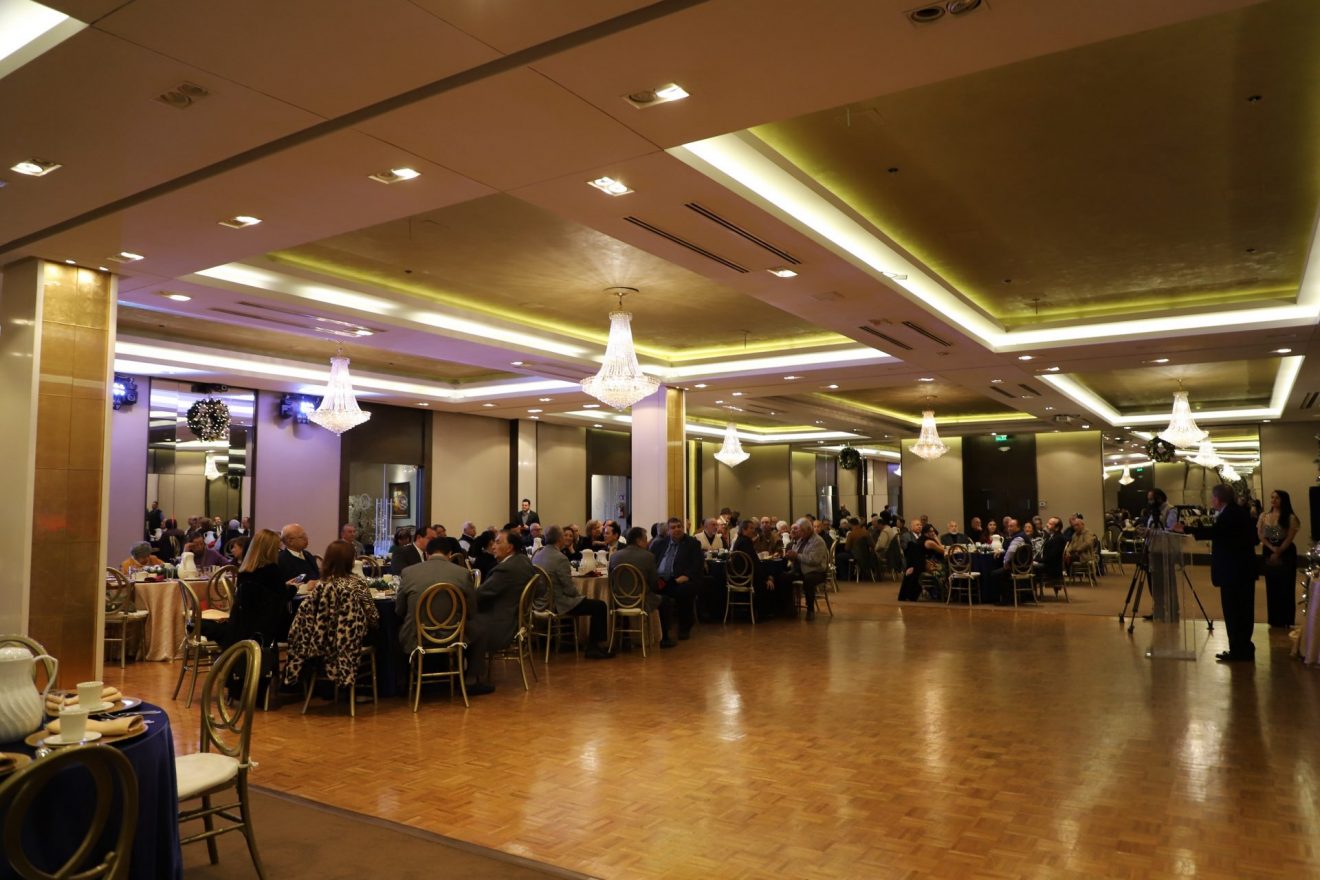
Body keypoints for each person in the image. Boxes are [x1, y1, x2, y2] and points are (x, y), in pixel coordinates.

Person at [396, 536, 494, 695]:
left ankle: (402, 681)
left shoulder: (408, 572)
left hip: (416, 636)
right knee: (481, 628)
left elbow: (399, 610)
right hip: (454, 635)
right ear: (449, 554)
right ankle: (471, 680)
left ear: (426, 554)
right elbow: (471, 611)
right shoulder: (462, 573)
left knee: (398, 627)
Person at [284, 540, 379, 693]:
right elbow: (372, 615)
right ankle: (373, 687)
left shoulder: (320, 585)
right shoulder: (356, 583)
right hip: (348, 642)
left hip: (320, 641)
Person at [223, 529, 297, 698]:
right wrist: (293, 588)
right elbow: (281, 597)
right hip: (268, 629)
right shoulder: (272, 570)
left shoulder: (244, 570)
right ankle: (295, 680)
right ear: (270, 549)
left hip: (243, 627)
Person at [533, 526, 613, 659]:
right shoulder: (560, 558)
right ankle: (594, 647)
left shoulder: (537, 556)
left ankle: (571, 642)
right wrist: (582, 596)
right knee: (599, 606)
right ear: (560, 539)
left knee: (591, 604)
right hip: (556, 604)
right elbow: (569, 589)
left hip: (539, 602)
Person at [1200, 485, 1260, 662]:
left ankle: (1239, 649)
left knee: (1235, 612)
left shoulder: (1230, 514)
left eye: (1213, 498)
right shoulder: (1238, 512)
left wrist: (1188, 530)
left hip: (1234, 571)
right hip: (1240, 570)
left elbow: (1217, 532)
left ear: (1219, 499)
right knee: (1242, 611)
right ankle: (1242, 647)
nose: (1211, 501)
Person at [470, 529, 534, 687]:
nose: (493, 546)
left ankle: (471, 679)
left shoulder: (506, 569)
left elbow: (479, 595)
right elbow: (540, 589)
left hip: (500, 624)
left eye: (498, 542)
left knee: (464, 626)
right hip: (515, 618)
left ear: (510, 547)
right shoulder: (524, 561)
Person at [610, 527, 676, 648]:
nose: (647, 542)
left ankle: (624, 639)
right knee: (666, 601)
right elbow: (654, 583)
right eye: (645, 539)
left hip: (618, 600)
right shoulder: (648, 556)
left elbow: (611, 580)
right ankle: (664, 638)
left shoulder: (614, 556)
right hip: (641, 600)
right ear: (639, 540)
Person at [649, 518, 702, 642]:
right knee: (654, 591)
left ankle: (684, 628)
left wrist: (684, 577)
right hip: (661, 580)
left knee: (684, 591)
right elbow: (651, 562)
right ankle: (660, 630)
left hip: (680, 579)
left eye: (679, 526)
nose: (677, 529)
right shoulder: (659, 544)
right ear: (668, 531)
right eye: (673, 527)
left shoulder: (692, 543)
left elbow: (696, 565)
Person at [1258, 489, 1300, 627]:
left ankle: (1286, 619)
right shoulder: (1264, 516)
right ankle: (1274, 619)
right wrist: (1272, 548)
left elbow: (1289, 537)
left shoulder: (1290, 518)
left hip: (1286, 552)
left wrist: (1279, 550)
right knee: (1272, 585)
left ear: (1283, 500)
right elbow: (1261, 535)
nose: (1273, 500)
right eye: (1272, 497)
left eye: (1277, 498)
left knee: (1286, 586)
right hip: (1269, 550)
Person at [1143, 489, 1181, 621]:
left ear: (1159, 498)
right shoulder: (1153, 512)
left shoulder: (1171, 510)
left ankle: (1172, 610)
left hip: (1165, 552)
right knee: (1154, 583)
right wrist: (1145, 532)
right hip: (1152, 550)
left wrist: (1151, 532)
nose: (1149, 502)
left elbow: (1170, 531)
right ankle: (1158, 610)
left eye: (1151, 499)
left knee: (1167, 583)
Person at [785, 516, 829, 620]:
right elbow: (796, 554)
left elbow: (814, 560)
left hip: (816, 571)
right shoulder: (801, 539)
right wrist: (791, 556)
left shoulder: (818, 541)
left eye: (801, 531)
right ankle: (789, 608)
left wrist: (797, 555)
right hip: (801, 569)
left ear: (808, 530)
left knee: (808, 580)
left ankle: (810, 610)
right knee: (784, 577)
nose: (799, 533)